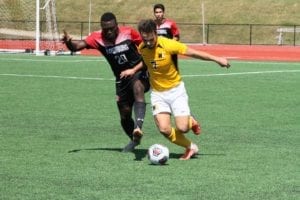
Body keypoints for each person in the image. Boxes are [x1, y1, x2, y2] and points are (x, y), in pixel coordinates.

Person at [136, 19, 230, 160]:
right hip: (158, 94)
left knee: (183, 128)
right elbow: (147, 63)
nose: (148, 43)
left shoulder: (169, 44)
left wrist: (217, 59)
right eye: (145, 39)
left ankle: (190, 121)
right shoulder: (142, 47)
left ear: (155, 33)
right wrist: (132, 70)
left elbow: (193, 53)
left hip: (176, 91)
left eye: (150, 39)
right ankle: (190, 147)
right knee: (164, 129)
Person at [62, 12, 149, 152]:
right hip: (121, 79)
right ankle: (134, 139)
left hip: (138, 71)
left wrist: (137, 68)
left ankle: (138, 126)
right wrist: (68, 42)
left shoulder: (129, 33)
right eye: (105, 29)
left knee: (138, 87)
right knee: (124, 114)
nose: (109, 31)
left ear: (117, 25)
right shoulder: (97, 38)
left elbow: (147, 48)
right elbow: (77, 46)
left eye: (112, 28)